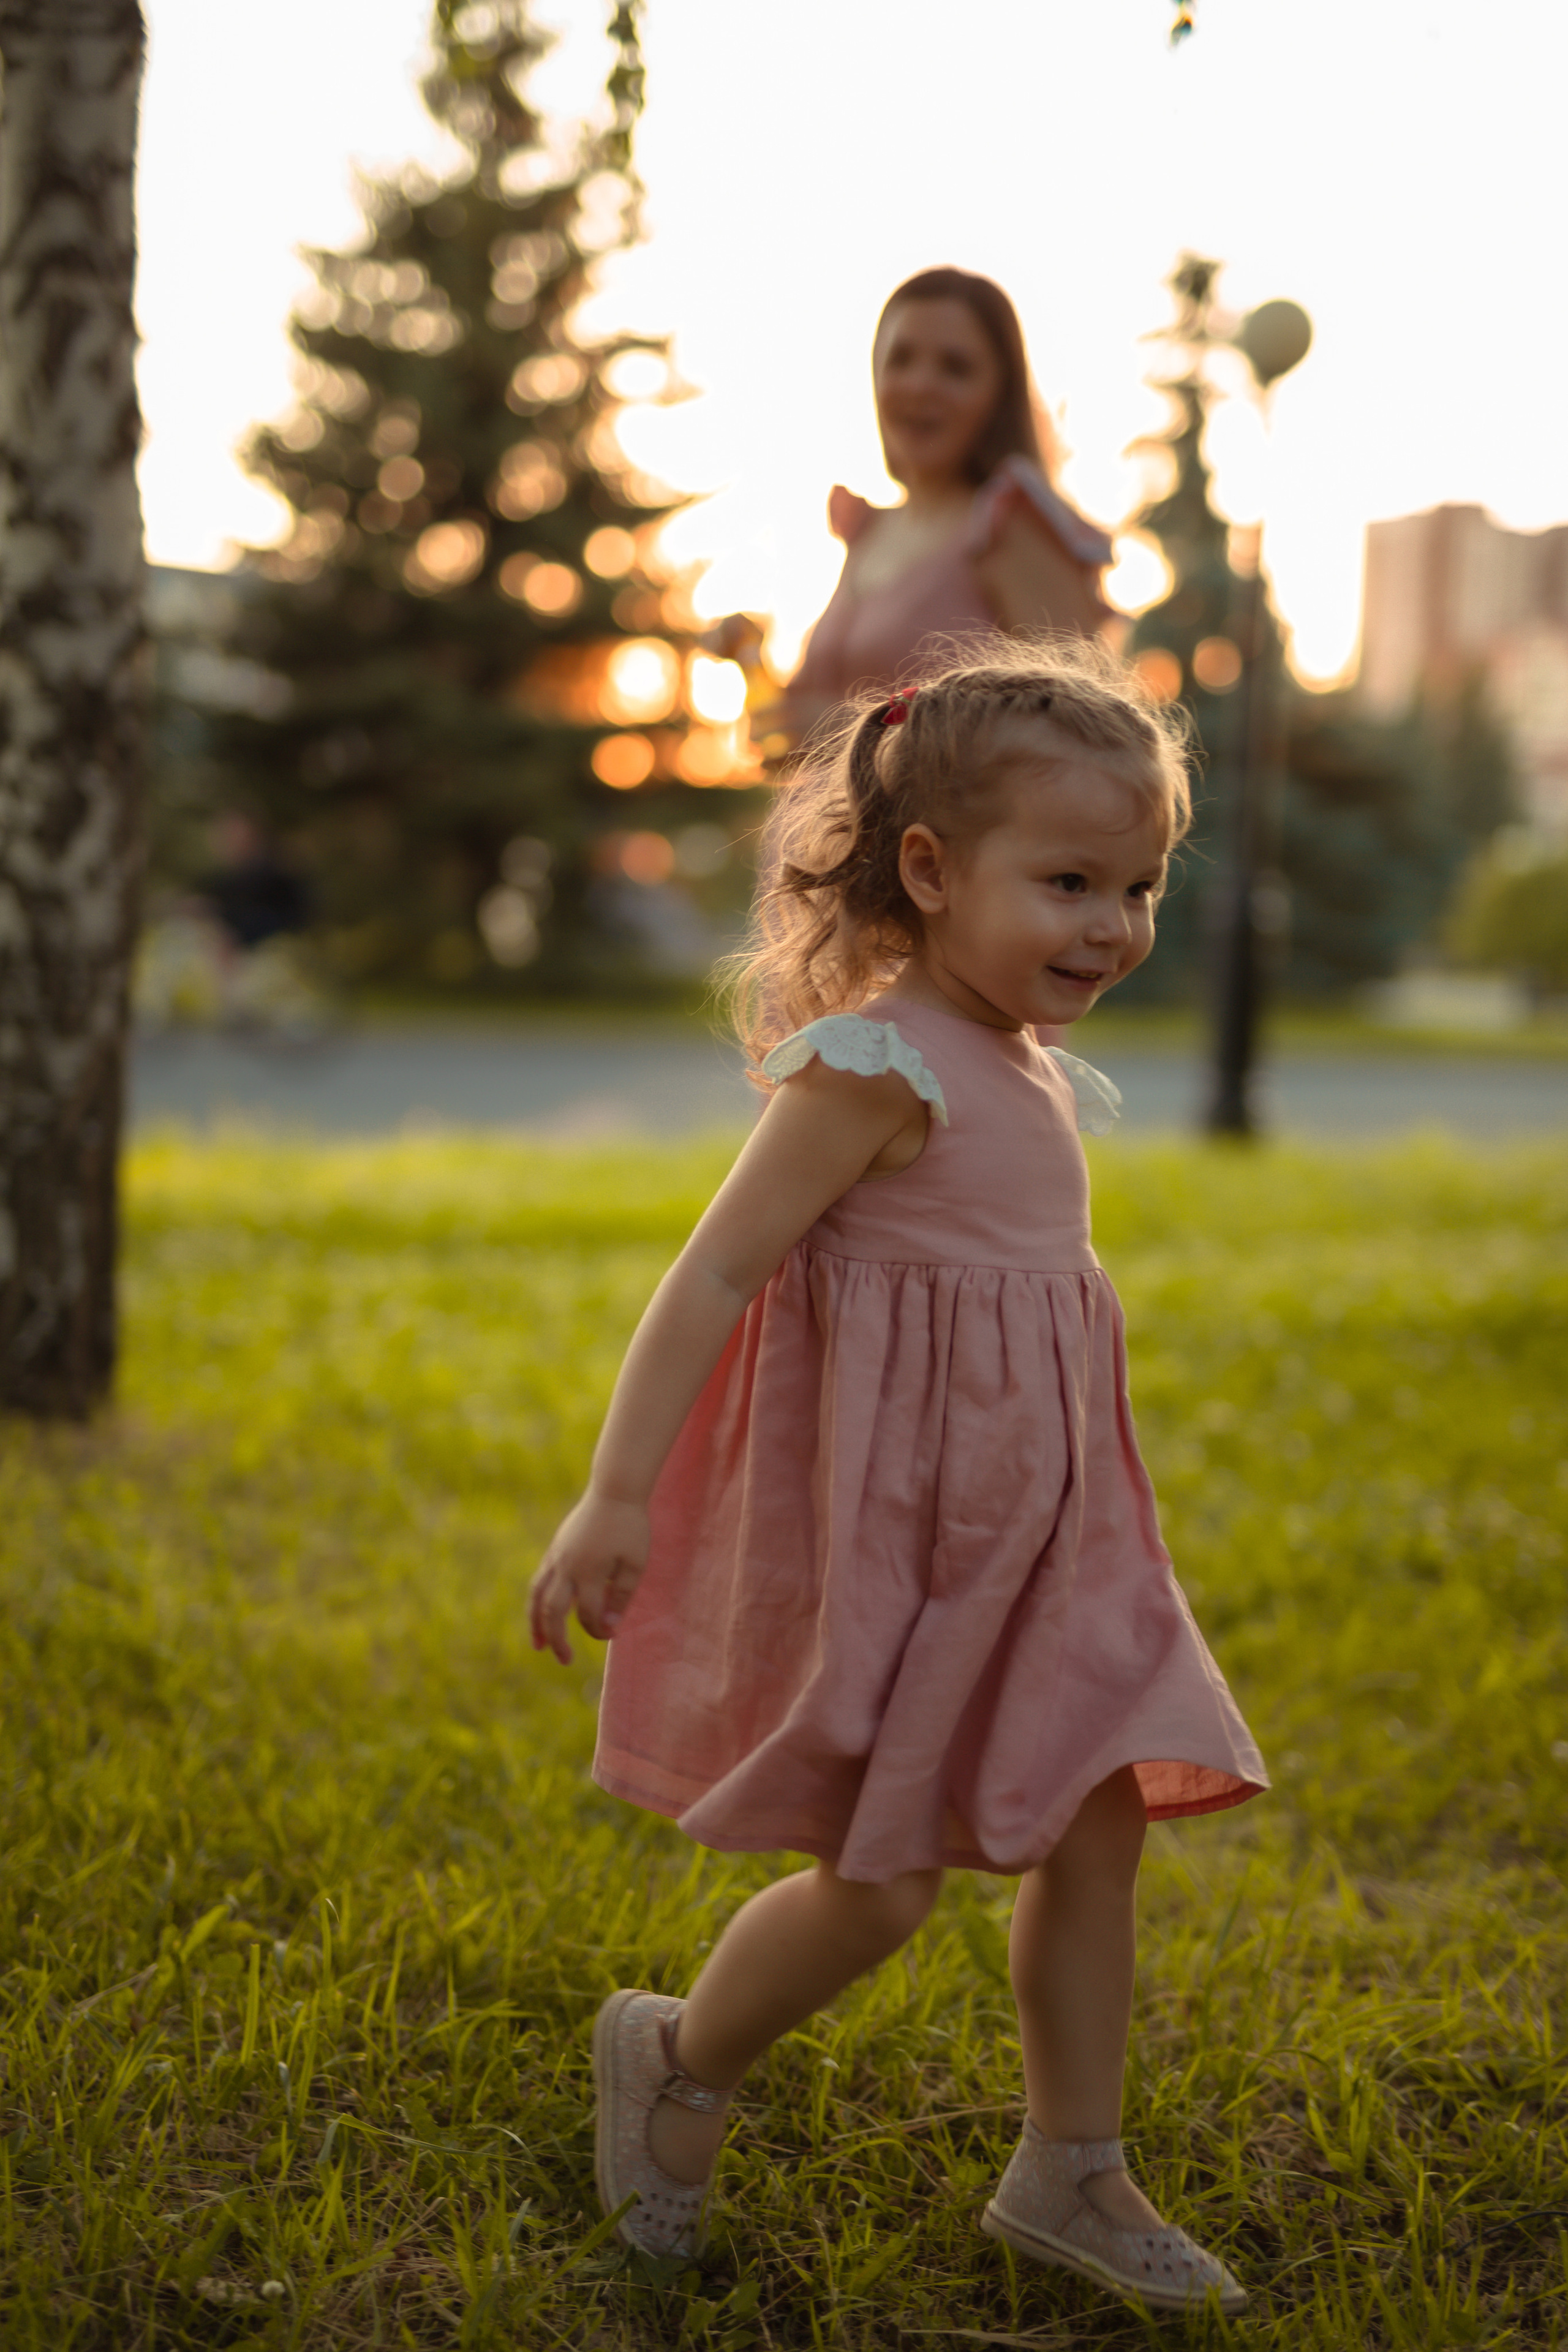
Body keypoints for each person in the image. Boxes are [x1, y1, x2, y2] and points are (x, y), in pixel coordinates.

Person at [529, 643, 1267, 2316]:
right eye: (1067, 881)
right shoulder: (879, 1065)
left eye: (1138, 887)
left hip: (1058, 1541)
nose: (1110, 926)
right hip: (920, 1546)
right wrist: (616, 1494)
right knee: (884, 1889)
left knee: (1099, 1824)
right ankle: (681, 2061)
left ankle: (1070, 2165)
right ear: (929, 871)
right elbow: (713, 1276)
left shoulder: (1017, 1056)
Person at [784, 268, 1117, 740]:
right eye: (900, 360)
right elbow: (822, 713)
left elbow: (1086, 732)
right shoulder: (870, 531)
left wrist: (857, 730)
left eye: (955, 368)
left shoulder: (1009, 526)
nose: (921, 385)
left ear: (999, 395)